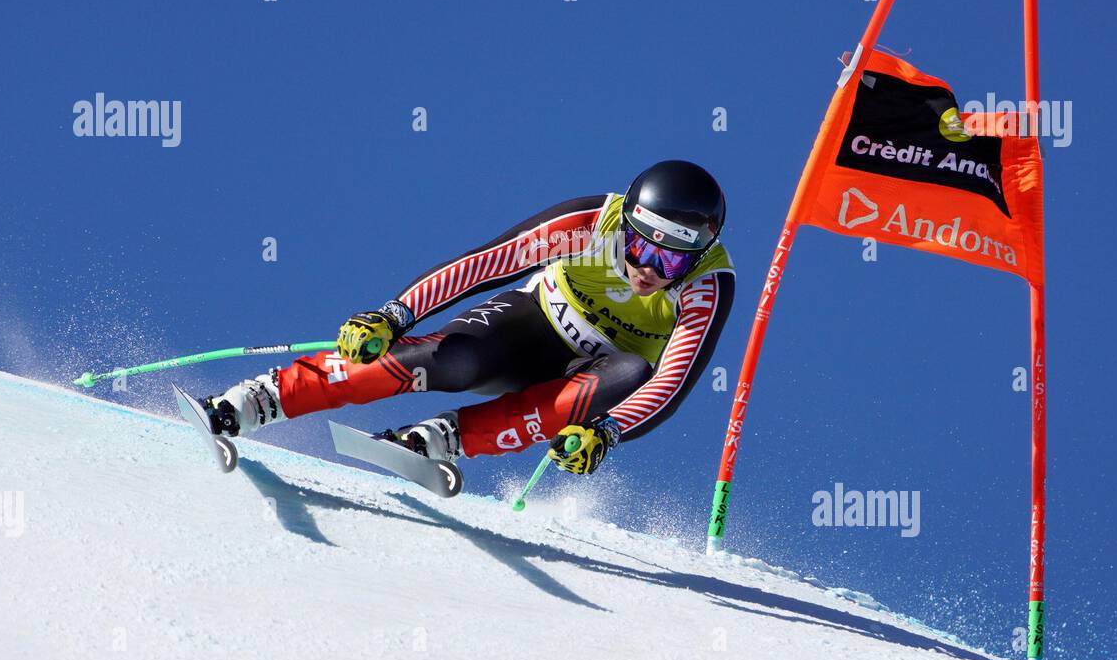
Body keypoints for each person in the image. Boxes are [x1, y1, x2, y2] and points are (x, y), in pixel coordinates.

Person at [198, 160, 735, 476]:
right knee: (451, 361)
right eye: (640, 249)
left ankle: (440, 441)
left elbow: (675, 376)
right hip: (529, 326)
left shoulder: (707, 284)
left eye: (671, 260)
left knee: (631, 375)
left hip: (585, 378)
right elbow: (485, 265)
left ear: (699, 254)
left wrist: (610, 431)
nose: (648, 269)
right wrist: (394, 315)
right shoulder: (592, 224)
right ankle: (257, 399)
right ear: (628, 226)